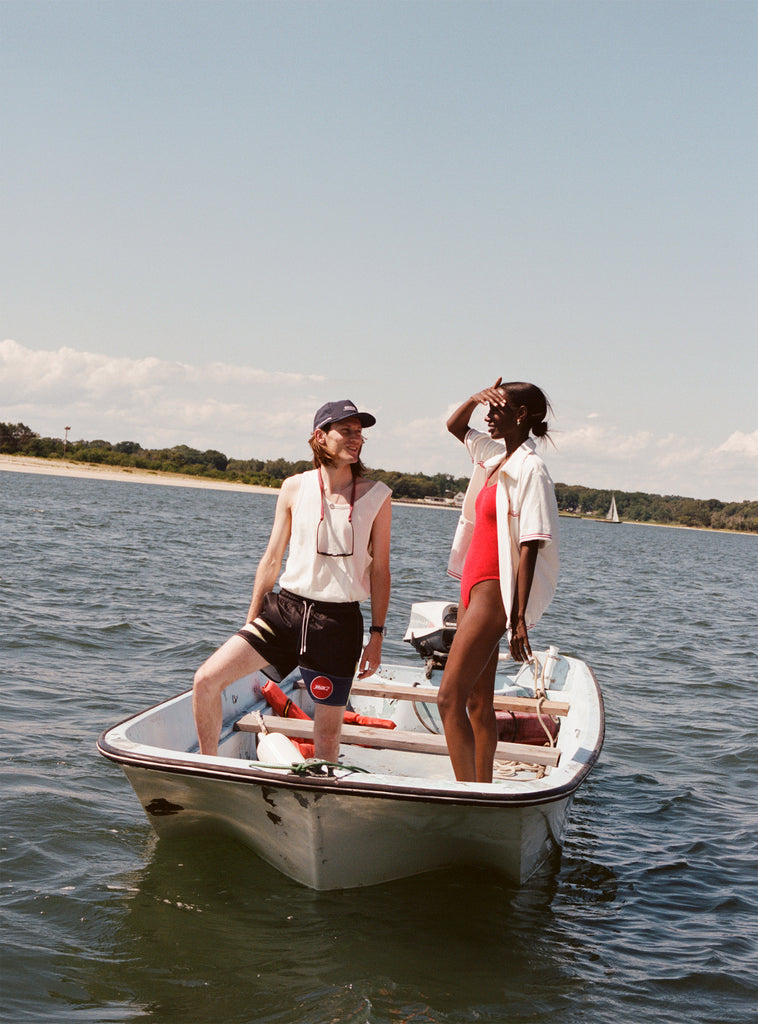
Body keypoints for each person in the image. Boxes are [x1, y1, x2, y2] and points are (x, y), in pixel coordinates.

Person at [192, 400, 392, 762]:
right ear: (320, 436)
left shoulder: (377, 495)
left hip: (338, 624)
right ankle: (208, 766)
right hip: (284, 612)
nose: (356, 439)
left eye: (359, 433)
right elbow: (271, 559)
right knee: (206, 679)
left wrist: (376, 635)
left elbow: (380, 571)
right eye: (346, 431)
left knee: (326, 735)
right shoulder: (294, 487)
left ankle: (321, 790)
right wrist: (251, 619)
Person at [438, 378, 559, 782]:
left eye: (496, 408)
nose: (488, 415)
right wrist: (474, 398)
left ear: (520, 415)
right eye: (487, 408)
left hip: (493, 589)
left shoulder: (531, 468)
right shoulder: (494, 455)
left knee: (448, 698)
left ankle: (468, 796)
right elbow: (455, 426)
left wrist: (517, 618)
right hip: (471, 585)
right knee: (477, 701)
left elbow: (531, 544)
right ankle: (484, 786)